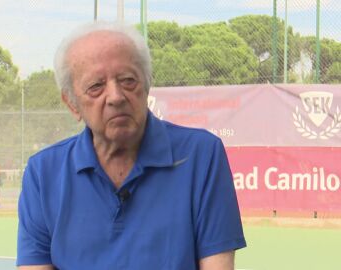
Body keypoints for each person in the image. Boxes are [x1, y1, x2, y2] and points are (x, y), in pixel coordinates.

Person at [17, 21, 246, 270]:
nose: (115, 96)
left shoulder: (201, 155)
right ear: (72, 103)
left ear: (147, 83)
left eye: (128, 80)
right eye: (96, 86)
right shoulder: (43, 173)